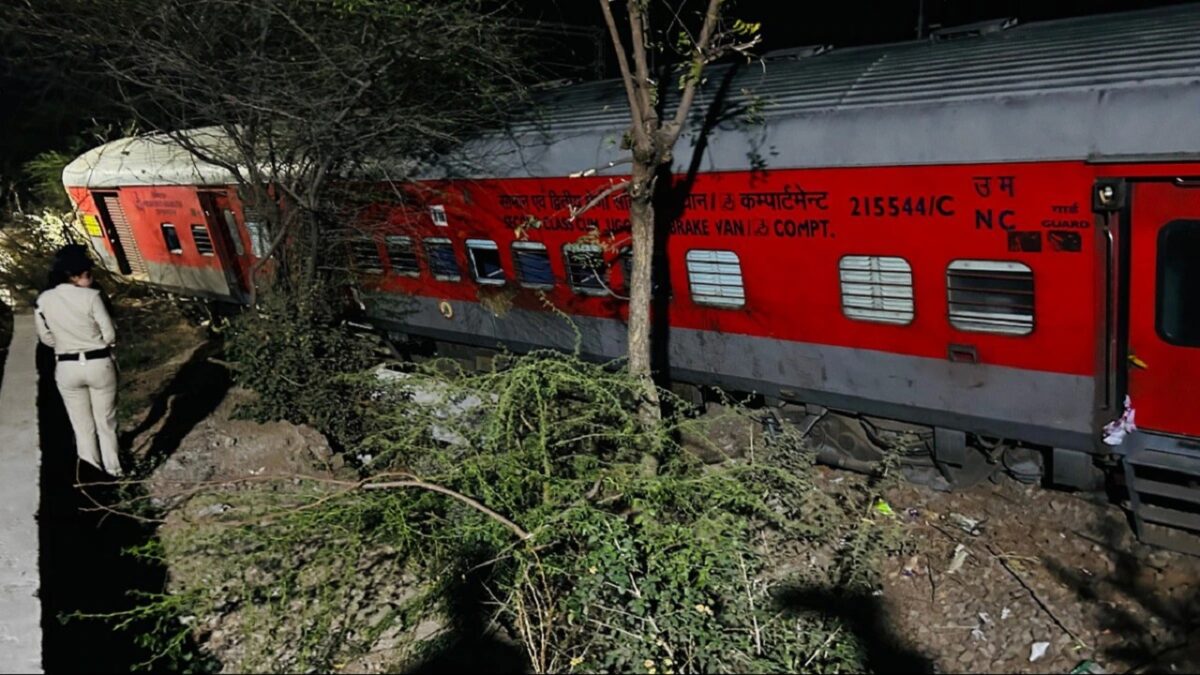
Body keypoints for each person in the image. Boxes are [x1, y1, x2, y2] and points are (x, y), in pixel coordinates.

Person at [34, 245, 122, 477]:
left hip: (66, 365)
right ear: (74, 276)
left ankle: (91, 474)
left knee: (81, 426)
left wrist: (66, 343)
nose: (91, 279)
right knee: (106, 422)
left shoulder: (44, 300)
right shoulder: (92, 297)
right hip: (98, 362)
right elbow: (109, 333)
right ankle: (114, 469)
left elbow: (45, 338)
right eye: (88, 274)